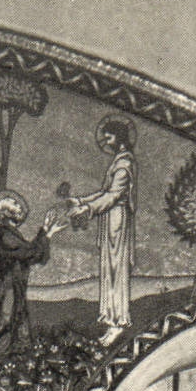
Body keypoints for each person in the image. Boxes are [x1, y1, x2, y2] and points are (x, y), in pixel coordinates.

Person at [65, 114, 137, 347]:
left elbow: (115, 195)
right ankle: (109, 320)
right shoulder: (118, 161)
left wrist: (88, 209)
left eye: (109, 135)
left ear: (120, 136)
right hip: (110, 218)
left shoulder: (124, 163)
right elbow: (104, 191)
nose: (106, 140)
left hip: (117, 219)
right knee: (109, 268)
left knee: (116, 268)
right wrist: (81, 200)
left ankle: (118, 321)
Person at [0, 191, 67, 350]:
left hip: (15, 284)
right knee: (6, 318)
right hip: (9, 285)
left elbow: (30, 253)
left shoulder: (10, 233)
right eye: (15, 205)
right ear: (6, 213)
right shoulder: (5, 235)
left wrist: (46, 230)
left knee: (16, 316)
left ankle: (18, 347)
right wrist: (47, 234)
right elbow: (29, 253)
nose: (20, 208)